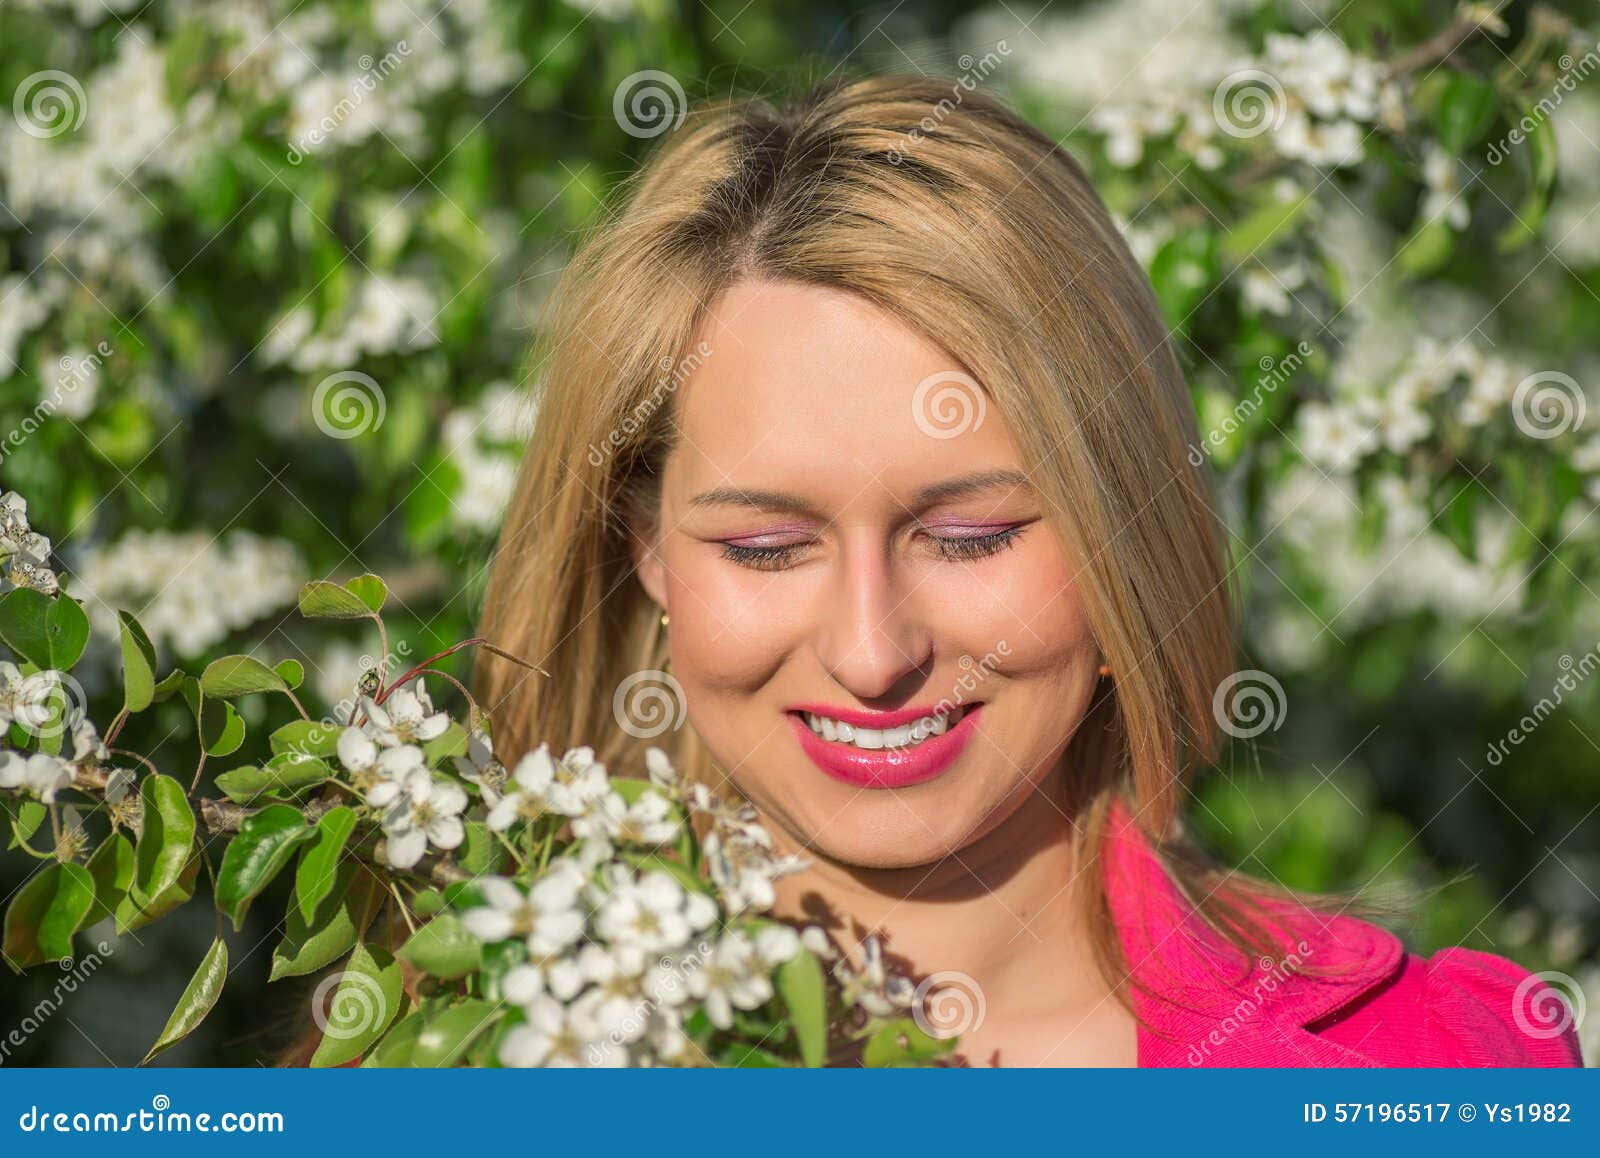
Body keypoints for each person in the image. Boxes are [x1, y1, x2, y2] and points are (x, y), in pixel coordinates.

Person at [472, 75, 1582, 1067]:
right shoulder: (465, 1041)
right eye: (766, 548)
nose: (871, 653)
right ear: (645, 548)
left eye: (969, 537)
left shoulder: (1438, 1070)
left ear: (1122, 531)